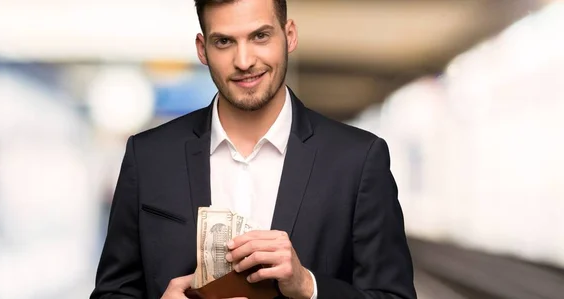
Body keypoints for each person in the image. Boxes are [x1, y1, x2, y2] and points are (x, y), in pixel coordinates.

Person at [90, 0, 416, 298]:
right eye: (224, 42)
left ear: (289, 36)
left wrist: (307, 285)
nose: (244, 61)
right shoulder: (149, 157)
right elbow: (112, 292)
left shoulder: (357, 160)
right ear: (202, 49)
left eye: (260, 36)